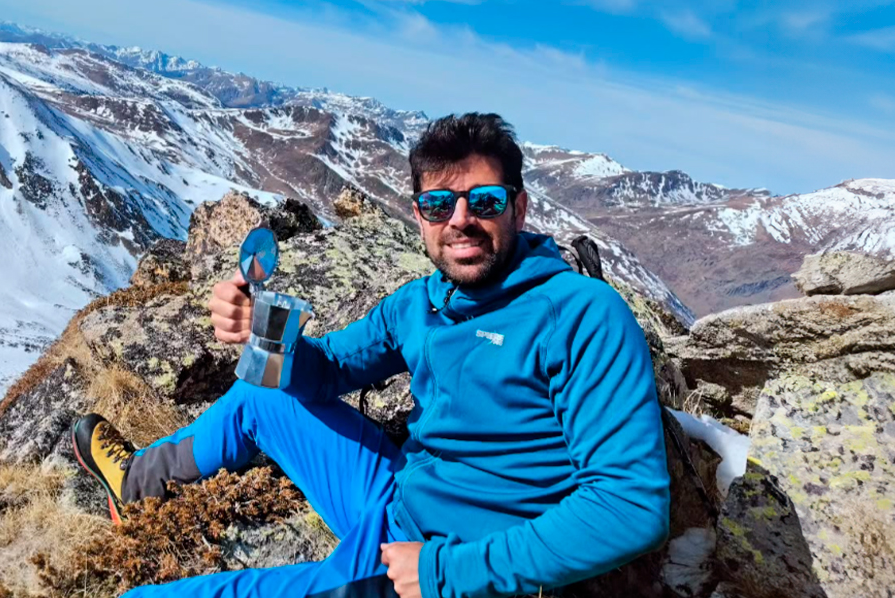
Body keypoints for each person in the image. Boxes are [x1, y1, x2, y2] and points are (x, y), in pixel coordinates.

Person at [72, 113, 670, 598]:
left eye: (483, 201)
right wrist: (263, 330)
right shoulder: (422, 302)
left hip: (434, 560)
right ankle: (135, 485)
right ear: (418, 216)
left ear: (518, 207)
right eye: (440, 205)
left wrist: (443, 573)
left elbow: (629, 507)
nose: (461, 221)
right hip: (397, 494)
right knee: (262, 390)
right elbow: (326, 370)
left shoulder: (581, 314)